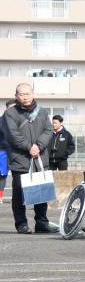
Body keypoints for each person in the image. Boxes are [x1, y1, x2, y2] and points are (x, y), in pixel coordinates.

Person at [4, 84, 54, 233]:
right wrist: (28, 147)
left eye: (27, 93)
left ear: (33, 94)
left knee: (41, 191)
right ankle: (21, 223)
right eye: (21, 94)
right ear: (16, 96)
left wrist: (39, 145)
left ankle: (41, 222)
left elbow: (48, 130)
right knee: (19, 194)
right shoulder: (10, 113)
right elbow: (12, 135)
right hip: (20, 159)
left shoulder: (43, 112)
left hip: (40, 157)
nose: (25, 97)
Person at [0, 99, 13, 205]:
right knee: (2, 175)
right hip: (3, 152)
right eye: (11, 108)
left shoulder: (22, 120)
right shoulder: (1, 121)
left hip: (19, 152)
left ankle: (21, 196)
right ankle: (0, 197)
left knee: (20, 175)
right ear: (6, 108)